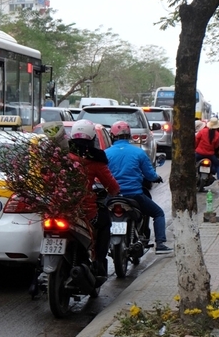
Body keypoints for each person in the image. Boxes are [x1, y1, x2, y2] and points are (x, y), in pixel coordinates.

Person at [105, 121, 173, 255]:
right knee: (158, 213)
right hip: (134, 195)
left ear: (112, 136)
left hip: (112, 196)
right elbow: (149, 174)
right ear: (129, 135)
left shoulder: (106, 153)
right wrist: (156, 177)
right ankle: (160, 244)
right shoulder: (139, 153)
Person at [68, 119, 120, 282]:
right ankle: (99, 262)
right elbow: (112, 186)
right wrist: (113, 192)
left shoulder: (60, 156)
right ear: (92, 138)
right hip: (86, 211)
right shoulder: (95, 160)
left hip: (58, 209)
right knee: (104, 223)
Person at [195, 117, 219, 183]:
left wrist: (195, 148)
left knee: (190, 163)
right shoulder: (217, 134)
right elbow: (216, 146)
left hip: (199, 153)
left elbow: (196, 141)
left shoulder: (202, 131)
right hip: (210, 155)